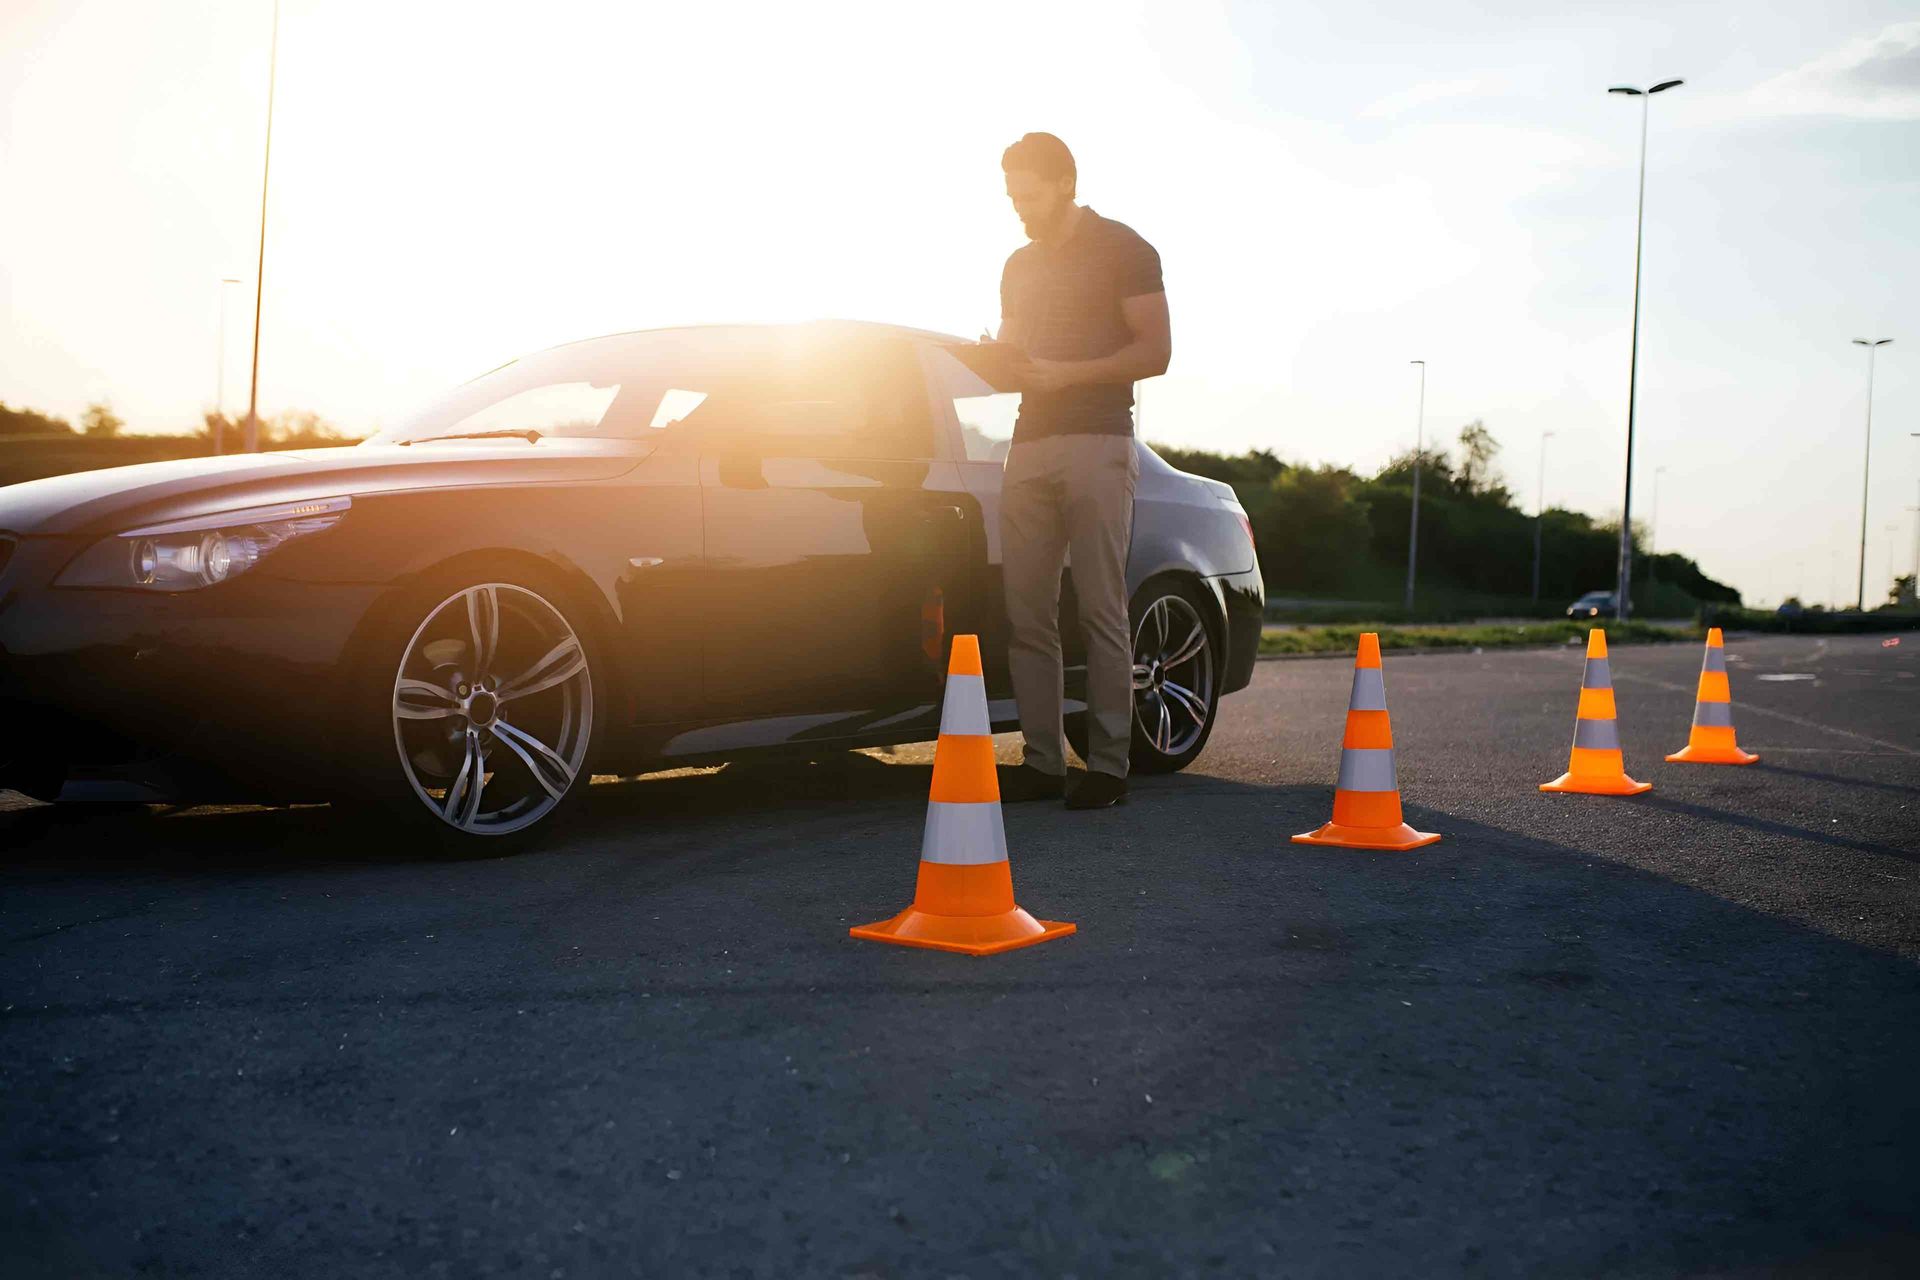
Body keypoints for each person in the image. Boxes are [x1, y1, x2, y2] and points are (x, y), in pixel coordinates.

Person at [990, 132, 1171, 810]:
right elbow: (1014, 348)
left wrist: (1066, 375)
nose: (1018, 209)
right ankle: (1041, 764)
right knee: (1026, 612)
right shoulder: (1017, 263)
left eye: (1027, 195)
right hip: (1028, 443)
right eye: (1011, 196)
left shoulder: (1125, 249)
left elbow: (1155, 351)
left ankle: (1108, 767)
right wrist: (994, 361)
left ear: (1064, 183)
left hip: (1098, 440)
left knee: (1099, 608)